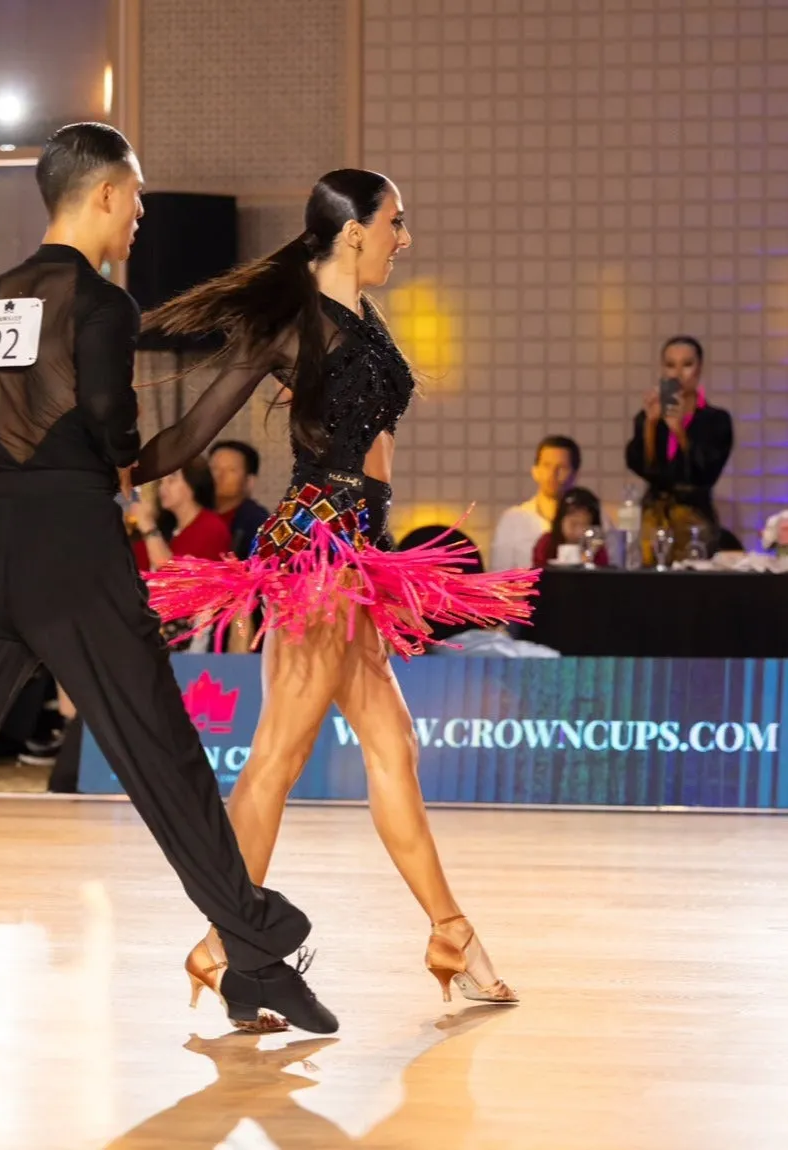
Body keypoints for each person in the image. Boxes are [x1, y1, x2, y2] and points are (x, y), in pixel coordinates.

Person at [0, 122, 335, 1071]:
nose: (140, 213)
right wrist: (100, 459)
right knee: (160, 756)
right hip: (76, 551)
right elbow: (109, 421)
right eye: (135, 195)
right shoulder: (101, 302)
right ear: (101, 195)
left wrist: (5, 478)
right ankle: (255, 944)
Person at [131, 169, 536, 1009]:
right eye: (397, 221)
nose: (406, 237)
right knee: (279, 753)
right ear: (354, 230)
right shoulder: (292, 324)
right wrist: (95, 466)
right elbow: (190, 434)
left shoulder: (364, 315)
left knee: (393, 746)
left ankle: (450, 932)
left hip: (360, 550)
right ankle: (223, 941)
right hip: (316, 552)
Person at [626, 336, 733, 559]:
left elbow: (706, 473)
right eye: (670, 365)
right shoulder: (647, 418)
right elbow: (643, 467)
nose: (678, 373)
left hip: (696, 521)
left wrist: (680, 432)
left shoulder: (716, 420)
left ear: (699, 369)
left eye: (687, 364)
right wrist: (651, 426)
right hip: (653, 520)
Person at [489, 436, 581, 571]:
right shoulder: (513, 519)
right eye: (546, 465)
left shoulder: (594, 518)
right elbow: (498, 575)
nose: (552, 473)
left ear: (574, 474)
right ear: (535, 471)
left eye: (561, 467)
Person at [130, 456, 231, 571]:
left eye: (171, 480)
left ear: (192, 483)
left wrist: (147, 525)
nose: (163, 488)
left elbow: (174, 576)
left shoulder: (211, 527)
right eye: (161, 482)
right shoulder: (167, 525)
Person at [209, 440, 270, 560]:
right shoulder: (193, 511)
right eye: (214, 468)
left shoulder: (257, 522)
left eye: (231, 470)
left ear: (249, 481)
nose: (219, 476)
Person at [532, 487, 608, 567]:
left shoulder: (595, 548)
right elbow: (537, 573)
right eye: (573, 524)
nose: (578, 531)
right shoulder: (547, 542)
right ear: (561, 521)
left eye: (584, 524)